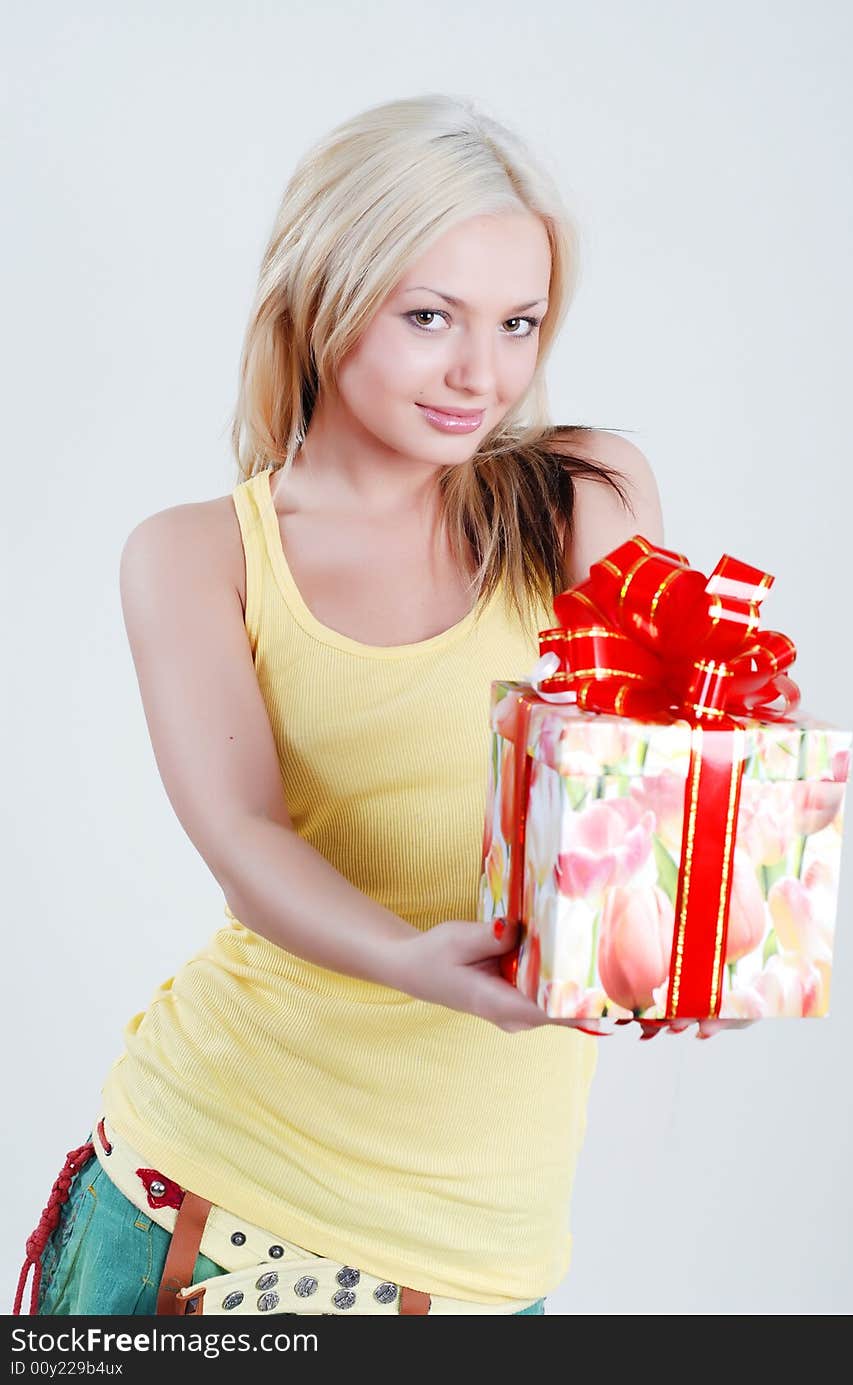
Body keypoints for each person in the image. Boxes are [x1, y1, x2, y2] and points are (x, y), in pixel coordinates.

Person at [15, 92, 727, 1321]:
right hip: (216, 1208)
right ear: (321, 299)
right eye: (429, 317)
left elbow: (652, 768)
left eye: (517, 322)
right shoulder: (198, 554)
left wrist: (716, 804)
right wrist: (415, 961)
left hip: (483, 1260)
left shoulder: (577, 492)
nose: (481, 373)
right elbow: (245, 837)